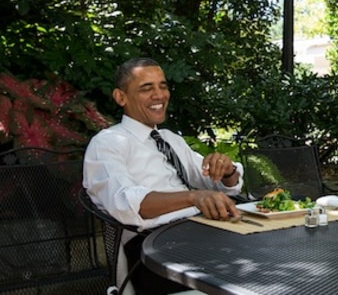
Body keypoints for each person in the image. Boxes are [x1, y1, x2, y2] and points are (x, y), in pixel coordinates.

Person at [83, 57, 244, 294]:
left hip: (203, 233)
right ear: (121, 97)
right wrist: (193, 198)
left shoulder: (170, 139)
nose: (159, 95)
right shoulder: (107, 144)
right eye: (147, 88)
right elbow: (127, 204)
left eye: (163, 86)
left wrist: (227, 170)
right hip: (152, 250)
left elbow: (215, 184)